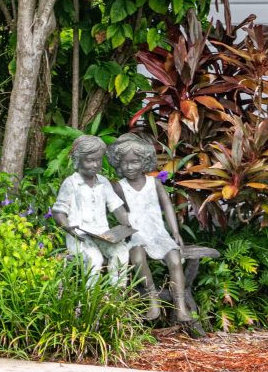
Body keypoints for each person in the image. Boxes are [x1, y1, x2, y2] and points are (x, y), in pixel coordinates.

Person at [106, 133, 192, 322]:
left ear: (144, 161)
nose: (129, 167)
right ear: (118, 163)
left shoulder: (154, 183)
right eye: (125, 163)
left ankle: (179, 305)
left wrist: (175, 231)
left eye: (135, 162)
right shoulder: (119, 187)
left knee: (175, 259)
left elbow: (167, 205)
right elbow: (116, 209)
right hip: (135, 234)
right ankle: (153, 298)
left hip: (157, 232)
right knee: (137, 258)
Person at [52, 135, 133, 284]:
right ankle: (91, 301)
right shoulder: (71, 183)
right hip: (79, 237)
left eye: (99, 159)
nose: (95, 164)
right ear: (78, 160)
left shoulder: (103, 182)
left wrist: (128, 224)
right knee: (94, 259)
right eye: (90, 160)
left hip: (103, 235)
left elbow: (116, 206)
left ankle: (116, 298)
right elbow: (58, 211)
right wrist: (68, 228)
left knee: (121, 253)